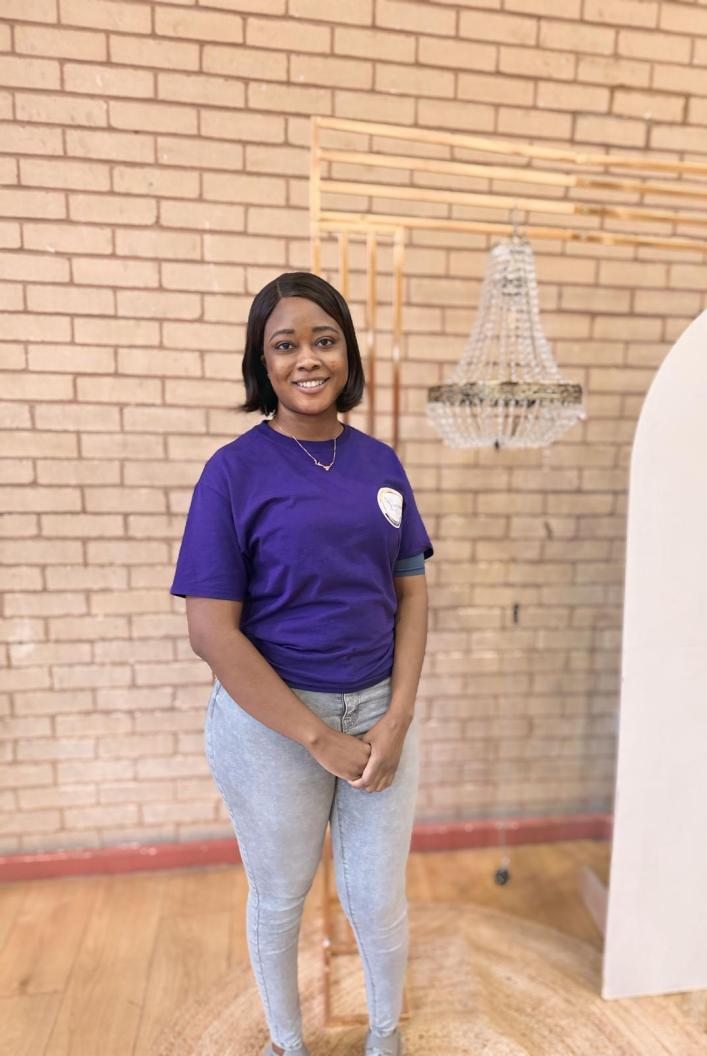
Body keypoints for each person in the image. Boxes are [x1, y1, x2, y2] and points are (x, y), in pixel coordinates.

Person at [170, 271, 433, 1056]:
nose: (307, 359)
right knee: (282, 897)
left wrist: (397, 718)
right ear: (264, 362)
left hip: (380, 715)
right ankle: (287, 1044)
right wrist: (319, 738)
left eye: (325, 340)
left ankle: (385, 1037)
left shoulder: (380, 463)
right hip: (273, 726)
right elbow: (211, 632)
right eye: (285, 345)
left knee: (377, 899)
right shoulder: (232, 472)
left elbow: (412, 592)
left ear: (347, 352)